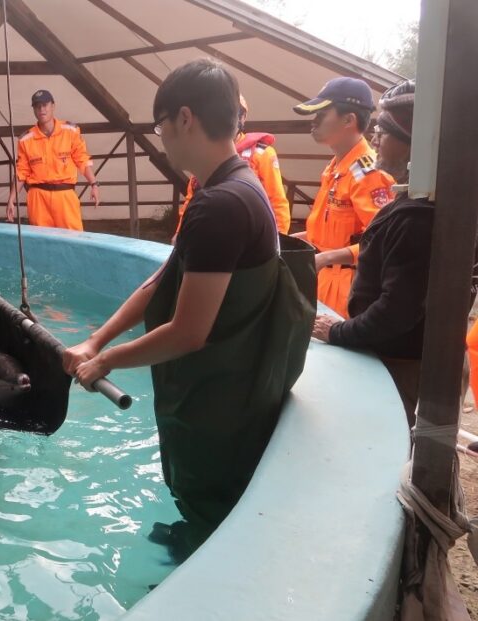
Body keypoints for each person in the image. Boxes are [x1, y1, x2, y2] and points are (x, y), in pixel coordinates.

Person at [63, 59, 312, 560]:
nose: (162, 141)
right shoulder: (234, 186)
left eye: (160, 127)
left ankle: (201, 560)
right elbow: (164, 278)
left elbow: (188, 332)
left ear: (184, 118)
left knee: (211, 510)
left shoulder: (220, 206)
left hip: (219, 401)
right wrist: (96, 339)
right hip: (231, 387)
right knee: (200, 500)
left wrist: (106, 361)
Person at [313, 80, 478, 425]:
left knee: (383, 437)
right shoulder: (421, 203)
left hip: (400, 365)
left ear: (412, 145)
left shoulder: (418, 217)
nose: (374, 139)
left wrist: (338, 332)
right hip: (399, 356)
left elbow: (396, 310)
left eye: (383, 132)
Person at [292, 77, 396, 318]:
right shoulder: (335, 167)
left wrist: (326, 257)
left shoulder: (369, 173)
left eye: (321, 113)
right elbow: (327, 235)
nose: (314, 121)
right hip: (322, 279)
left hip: (347, 288)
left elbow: (382, 240)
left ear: (349, 120)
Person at [174, 94, 291, 237]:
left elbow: (277, 202)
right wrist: (180, 232)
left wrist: (279, 239)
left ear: (242, 118)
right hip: (206, 232)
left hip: (246, 236)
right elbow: (191, 197)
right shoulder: (205, 153)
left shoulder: (262, 154)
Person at [6, 89, 99, 230]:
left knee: (72, 237)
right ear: (33, 110)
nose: (41, 109)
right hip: (38, 198)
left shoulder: (70, 131)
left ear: (53, 106)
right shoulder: (25, 139)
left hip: (65, 196)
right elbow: (21, 172)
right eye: (37, 106)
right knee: (41, 239)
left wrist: (94, 184)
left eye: (45, 105)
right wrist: (11, 199)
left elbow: (82, 160)